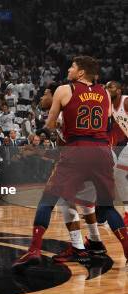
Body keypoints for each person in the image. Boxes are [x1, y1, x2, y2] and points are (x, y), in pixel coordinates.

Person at [12, 56, 128, 272]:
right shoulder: (104, 92)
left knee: (48, 200)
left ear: (81, 72)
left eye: (72, 67)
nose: (68, 69)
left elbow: (50, 123)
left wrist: (48, 130)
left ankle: (34, 249)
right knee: (107, 207)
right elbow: (109, 122)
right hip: (102, 151)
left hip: (77, 150)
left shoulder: (65, 90)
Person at [106, 81, 128, 226]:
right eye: (106, 87)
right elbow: (114, 130)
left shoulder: (126, 101)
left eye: (111, 87)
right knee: (119, 175)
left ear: (119, 91)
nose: (108, 89)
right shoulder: (110, 107)